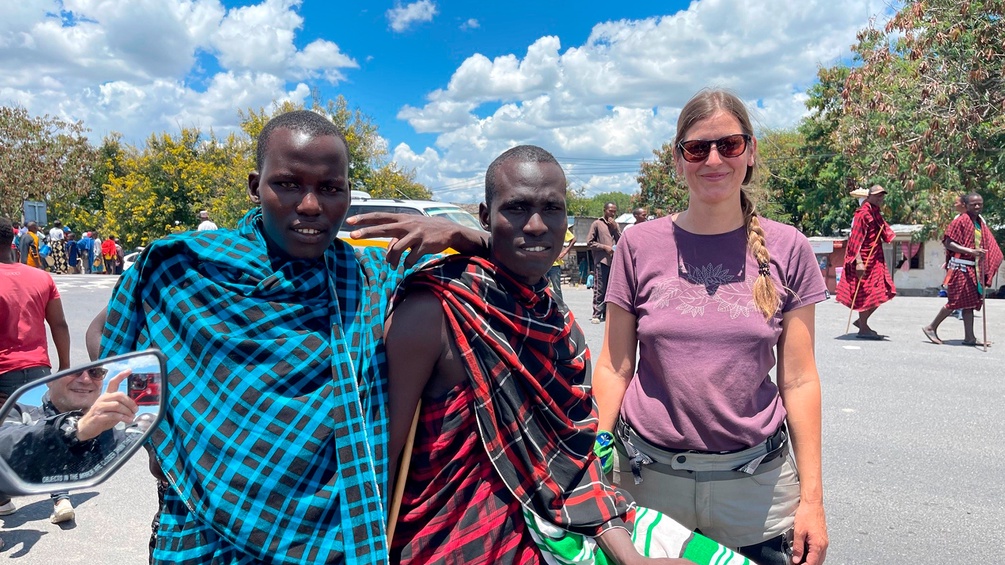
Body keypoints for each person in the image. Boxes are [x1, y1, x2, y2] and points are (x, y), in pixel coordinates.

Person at [89, 110, 486, 564]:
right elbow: (105, 334)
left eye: (331, 189)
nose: (312, 205)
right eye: (290, 184)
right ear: (255, 186)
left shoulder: (366, 278)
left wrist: (469, 236)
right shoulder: (188, 270)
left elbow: (490, 278)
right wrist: (158, 430)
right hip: (200, 530)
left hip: (331, 537)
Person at [385, 145, 746, 565]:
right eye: (516, 208)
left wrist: (631, 559)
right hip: (446, 543)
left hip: (537, 543)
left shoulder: (554, 319)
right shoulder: (438, 310)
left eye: (552, 209)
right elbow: (379, 463)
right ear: (486, 216)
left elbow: (574, 461)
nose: (536, 225)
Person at [592, 89, 829, 565]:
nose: (713, 159)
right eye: (697, 148)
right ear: (679, 161)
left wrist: (812, 501)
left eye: (730, 145)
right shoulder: (638, 245)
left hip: (756, 492)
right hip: (647, 484)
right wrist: (593, 466)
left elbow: (799, 379)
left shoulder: (790, 247)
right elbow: (616, 366)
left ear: (751, 152)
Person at [0, 217, 71, 520]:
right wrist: (64, 366)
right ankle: (61, 498)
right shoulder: (41, 278)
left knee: (5, 436)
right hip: (40, 372)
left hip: (2, 373)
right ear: (14, 242)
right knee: (48, 433)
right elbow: (59, 324)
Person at [0, 367, 139, 522]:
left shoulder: (113, 425)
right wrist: (74, 428)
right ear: (50, 381)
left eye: (96, 373)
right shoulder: (21, 411)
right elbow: (5, 442)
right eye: (74, 372)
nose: (86, 380)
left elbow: (136, 436)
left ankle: (60, 499)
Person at [922, 192, 1003, 346]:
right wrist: (971, 251)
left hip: (974, 269)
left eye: (980, 203)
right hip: (960, 267)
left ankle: (970, 337)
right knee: (956, 301)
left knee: (970, 303)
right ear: (966, 206)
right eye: (974, 204)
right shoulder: (960, 221)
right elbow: (948, 243)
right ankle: (931, 327)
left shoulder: (979, 223)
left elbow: (988, 244)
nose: (978, 206)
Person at [835, 185, 896, 339]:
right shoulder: (862, 215)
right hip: (864, 259)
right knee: (867, 293)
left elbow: (884, 233)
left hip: (876, 259)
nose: (880, 199)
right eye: (877, 196)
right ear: (869, 197)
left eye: (882, 196)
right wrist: (859, 262)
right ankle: (863, 328)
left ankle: (863, 323)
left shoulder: (875, 214)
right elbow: (854, 241)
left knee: (884, 291)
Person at [587, 202, 621, 324]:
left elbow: (621, 241)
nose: (612, 213)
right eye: (610, 210)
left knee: (611, 289)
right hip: (602, 261)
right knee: (600, 288)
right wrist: (604, 247)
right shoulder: (597, 224)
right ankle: (596, 314)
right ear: (604, 210)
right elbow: (589, 243)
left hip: (614, 262)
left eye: (614, 211)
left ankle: (607, 314)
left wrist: (615, 228)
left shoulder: (615, 225)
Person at [545, 224, 577, 300]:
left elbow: (573, 239)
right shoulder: (542, 227)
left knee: (557, 289)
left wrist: (564, 252)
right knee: (543, 289)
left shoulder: (560, 227)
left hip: (555, 265)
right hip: (542, 264)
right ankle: (544, 309)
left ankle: (560, 308)